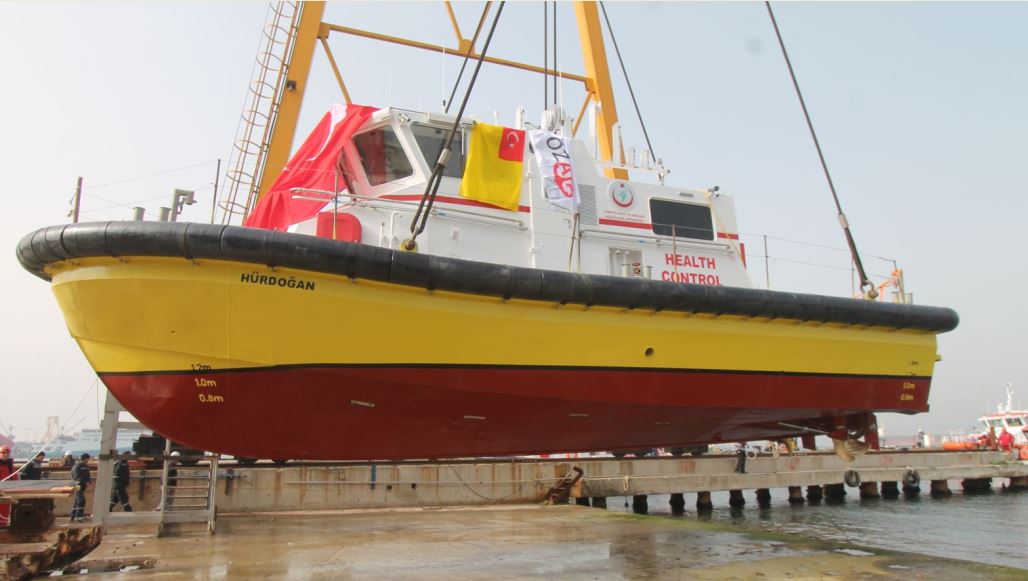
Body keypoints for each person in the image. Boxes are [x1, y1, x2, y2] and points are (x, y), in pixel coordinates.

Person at [70, 453, 91, 522]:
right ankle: (78, 517)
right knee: (81, 500)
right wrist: (85, 481)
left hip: (82, 485)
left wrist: (88, 481)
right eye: (87, 459)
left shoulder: (86, 466)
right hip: (77, 485)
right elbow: (76, 477)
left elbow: (88, 475)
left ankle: (73, 516)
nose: (88, 460)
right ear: (85, 459)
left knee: (77, 501)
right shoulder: (77, 466)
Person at [0, 445, 18, 526]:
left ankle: (3, 526)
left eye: (8, 453)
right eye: (3, 452)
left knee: (5, 511)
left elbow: (16, 479)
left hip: (7, 492)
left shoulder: (11, 466)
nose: (6, 454)